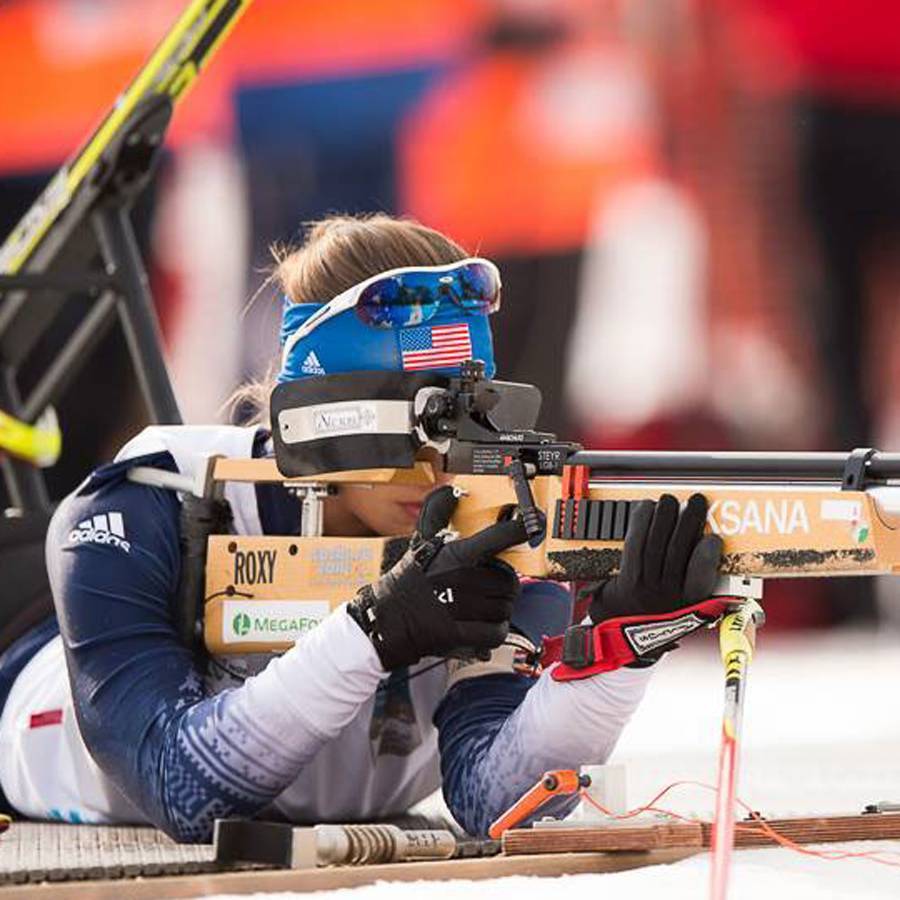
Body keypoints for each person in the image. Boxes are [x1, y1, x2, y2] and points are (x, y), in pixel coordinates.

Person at [0, 214, 723, 841]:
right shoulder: (144, 504)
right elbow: (181, 786)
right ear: (323, 421)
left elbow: (496, 800)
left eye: (476, 417)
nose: (448, 464)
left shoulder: (502, 525)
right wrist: (376, 629)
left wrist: (622, 646)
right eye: (428, 423)